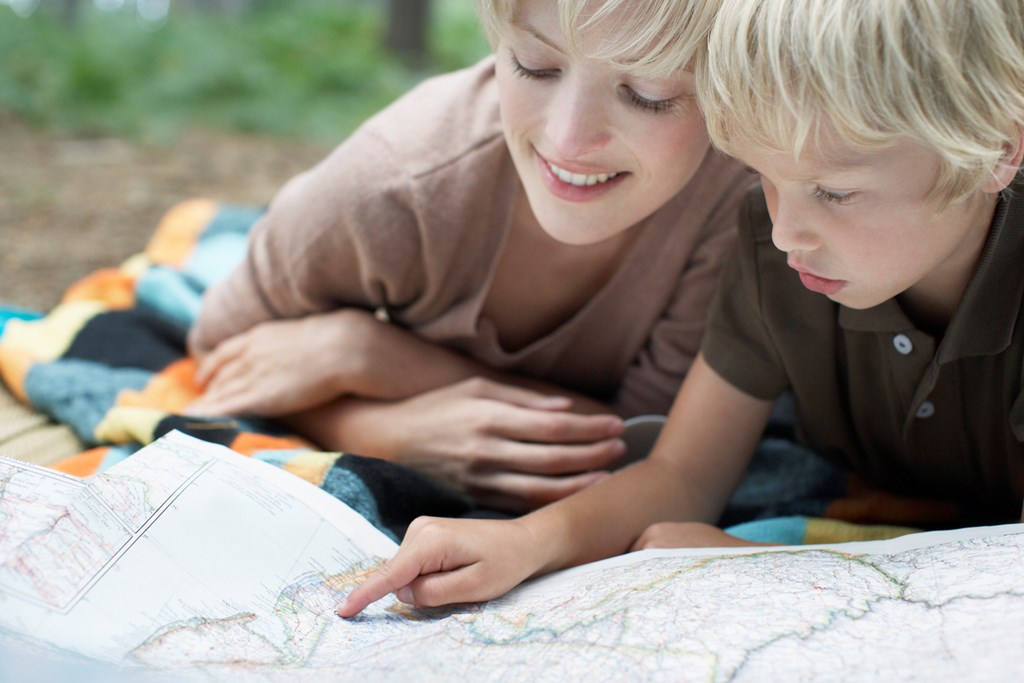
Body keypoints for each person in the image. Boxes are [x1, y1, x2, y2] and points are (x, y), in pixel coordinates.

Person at [337, 0, 1024, 616]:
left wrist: (769, 563)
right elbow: (685, 474)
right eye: (763, 175)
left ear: (996, 148)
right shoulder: (775, 247)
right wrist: (524, 542)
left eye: (834, 193)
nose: (786, 232)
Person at [185, 0, 750, 513]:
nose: (569, 139)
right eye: (534, 65)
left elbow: (660, 443)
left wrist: (370, 356)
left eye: (648, 94)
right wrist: (372, 430)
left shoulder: (740, 200)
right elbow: (222, 348)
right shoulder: (390, 188)